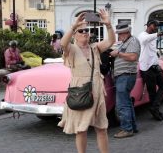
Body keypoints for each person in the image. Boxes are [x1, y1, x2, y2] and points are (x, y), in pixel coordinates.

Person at [58, 9, 115, 153]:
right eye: (81, 31)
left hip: (96, 91)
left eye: (86, 31)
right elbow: (63, 44)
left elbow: (111, 41)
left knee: (102, 128)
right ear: (75, 36)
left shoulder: (94, 48)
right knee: (81, 129)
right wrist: (73, 27)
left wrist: (108, 25)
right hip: (80, 92)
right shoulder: (71, 49)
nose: (85, 33)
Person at [110, 22, 141, 138]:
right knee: (127, 103)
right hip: (124, 76)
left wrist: (118, 53)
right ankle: (132, 127)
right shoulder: (125, 42)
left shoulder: (133, 41)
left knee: (122, 104)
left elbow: (133, 57)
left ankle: (127, 129)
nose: (119, 36)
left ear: (127, 32)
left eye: (120, 34)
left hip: (126, 75)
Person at [137, 19, 163, 121]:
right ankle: (156, 112)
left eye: (157, 27)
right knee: (152, 92)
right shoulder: (142, 35)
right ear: (149, 25)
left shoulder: (154, 36)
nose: (156, 28)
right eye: (154, 26)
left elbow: (153, 52)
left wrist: (158, 63)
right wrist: (157, 34)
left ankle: (154, 108)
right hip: (146, 68)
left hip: (154, 66)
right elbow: (144, 40)